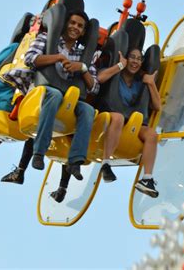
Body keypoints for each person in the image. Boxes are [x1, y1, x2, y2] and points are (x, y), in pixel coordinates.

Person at [49, 47, 161, 202]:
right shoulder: (115, 73)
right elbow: (99, 78)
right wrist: (119, 66)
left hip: (130, 125)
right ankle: (106, 164)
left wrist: (150, 83)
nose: (135, 61)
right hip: (106, 117)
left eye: (139, 59)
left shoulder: (138, 83)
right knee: (118, 118)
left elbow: (157, 106)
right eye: (132, 57)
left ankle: (147, 178)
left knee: (152, 134)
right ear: (125, 58)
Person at [24, 10, 98, 181]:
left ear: (84, 32)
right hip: (42, 90)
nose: (75, 27)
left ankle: (75, 161)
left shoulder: (83, 55)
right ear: (65, 24)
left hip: (68, 98)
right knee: (55, 95)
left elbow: (94, 88)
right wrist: (57, 58)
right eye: (72, 23)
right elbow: (30, 58)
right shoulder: (47, 39)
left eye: (80, 26)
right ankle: (38, 152)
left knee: (87, 110)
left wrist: (82, 68)